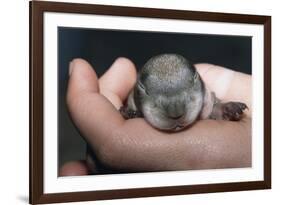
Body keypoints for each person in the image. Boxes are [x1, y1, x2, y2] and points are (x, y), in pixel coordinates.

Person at [60, 57, 251, 176]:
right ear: (138, 91)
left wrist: (223, 110)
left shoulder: (205, 94)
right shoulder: (134, 100)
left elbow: (212, 107)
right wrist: (131, 115)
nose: (176, 113)